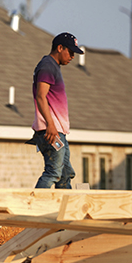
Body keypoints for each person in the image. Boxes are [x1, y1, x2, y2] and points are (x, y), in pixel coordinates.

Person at [31, 32, 83, 189]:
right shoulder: (47, 65)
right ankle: (33, 207)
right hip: (51, 131)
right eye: (71, 52)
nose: (73, 56)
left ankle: (64, 211)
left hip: (58, 131)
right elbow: (41, 96)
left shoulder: (52, 66)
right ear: (60, 48)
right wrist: (50, 125)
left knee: (65, 174)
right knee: (53, 172)